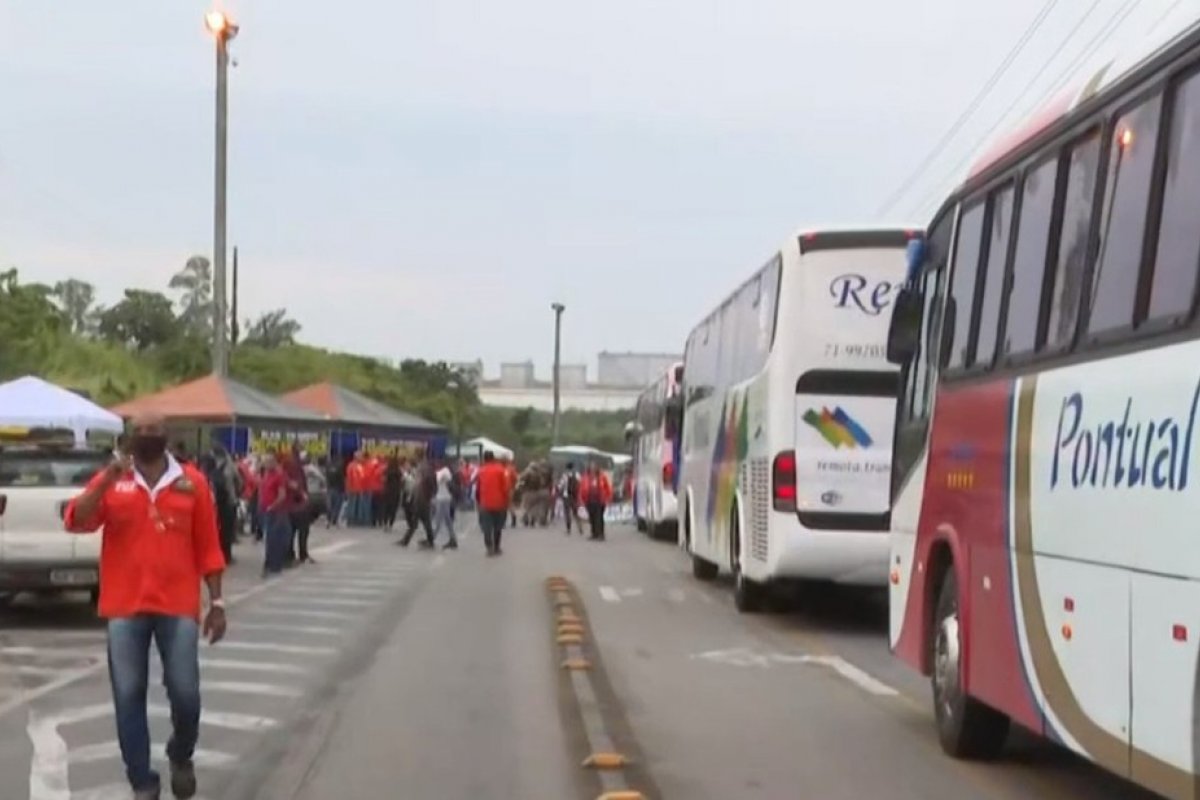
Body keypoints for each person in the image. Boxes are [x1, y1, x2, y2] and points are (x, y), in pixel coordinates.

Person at [63, 412, 226, 800]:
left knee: (186, 694)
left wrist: (217, 601)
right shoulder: (114, 481)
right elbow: (76, 520)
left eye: (154, 430)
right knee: (128, 694)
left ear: (167, 435)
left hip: (178, 605)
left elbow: (208, 546)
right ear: (130, 437)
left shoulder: (193, 483)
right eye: (140, 431)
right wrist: (106, 478)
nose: (147, 436)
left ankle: (180, 753)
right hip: (124, 606)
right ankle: (142, 782)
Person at [258, 452, 291, 576]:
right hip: (265, 510)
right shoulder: (266, 474)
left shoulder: (279, 475)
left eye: (268, 461)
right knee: (269, 538)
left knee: (274, 538)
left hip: (276, 511)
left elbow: (282, 494)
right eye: (264, 462)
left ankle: (274, 564)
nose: (265, 464)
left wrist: (273, 506)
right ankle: (270, 563)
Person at [476, 451, 510, 556]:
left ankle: (489, 547)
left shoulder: (480, 471)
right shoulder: (501, 470)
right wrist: (506, 501)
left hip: (485, 502)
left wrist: (478, 501)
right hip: (499, 502)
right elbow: (506, 487)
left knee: (487, 526)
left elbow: (478, 488)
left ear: (484, 459)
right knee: (497, 526)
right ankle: (497, 547)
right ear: (493, 458)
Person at [399, 453, 437, 548]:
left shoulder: (424, 468)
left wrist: (429, 493)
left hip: (421, 497)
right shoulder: (424, 467)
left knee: (417, 521)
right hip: (422, 497)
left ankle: (406, 540)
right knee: (424, 521)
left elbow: (429, 481)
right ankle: (429, 540)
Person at [580, 464, 613, 541]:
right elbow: (581, 488)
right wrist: (581, 499)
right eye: (591, 468)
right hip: (589, 500)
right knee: (592, 518)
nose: (593, 470)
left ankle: (601, 534)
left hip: (600, 500)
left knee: (599, 518)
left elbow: (607, 488)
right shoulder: (586, 477)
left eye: (594, 468)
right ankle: (594, 533)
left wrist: (608, 498)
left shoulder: (602, 477)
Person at [431, 458, 458, 550]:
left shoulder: (443, 471)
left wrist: (435, 473)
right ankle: (453, 539)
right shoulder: (447, 471)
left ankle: (431, 538)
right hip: (445, 498)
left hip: (442, 498)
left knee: (438, 520)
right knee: (447, 520)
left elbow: (437, 480)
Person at [557, 463, 581, 535]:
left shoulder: (565, 475)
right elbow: (580, 484)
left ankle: (568, 529)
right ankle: (580, 528)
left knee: (567, 513)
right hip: (574, 496)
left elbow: (560, 486)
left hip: (566, 496)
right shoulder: (577, 475)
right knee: (575, 512)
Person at [381, 455, 403, 530]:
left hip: (387, 491)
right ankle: (390, 524)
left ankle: (385, 523)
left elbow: (383, 480)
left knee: (385, 508)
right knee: (393, 509)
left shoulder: (386, 471)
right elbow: (401, 482)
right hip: (396, 492)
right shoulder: (399, 472)